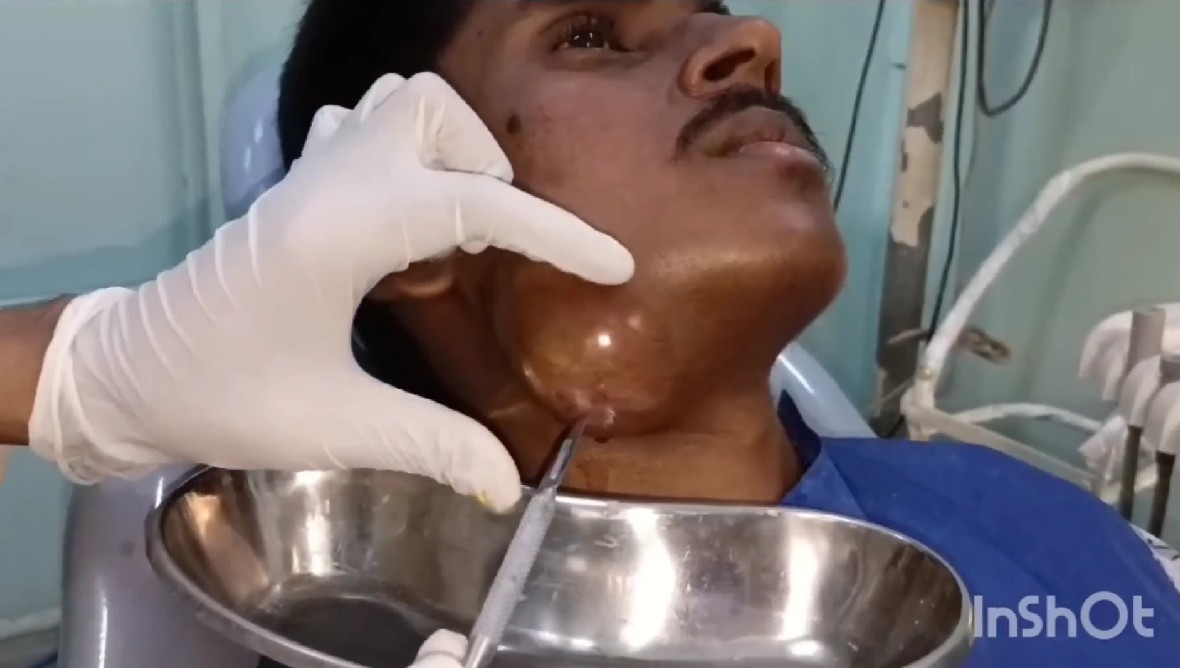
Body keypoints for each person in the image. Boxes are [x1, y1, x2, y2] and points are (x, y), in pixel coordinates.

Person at [270, 1, 1180, 667]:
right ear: (406, 231)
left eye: (712, 11)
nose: (754, 40)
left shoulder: (1040, 525)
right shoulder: (315, 617)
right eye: (588, 34)